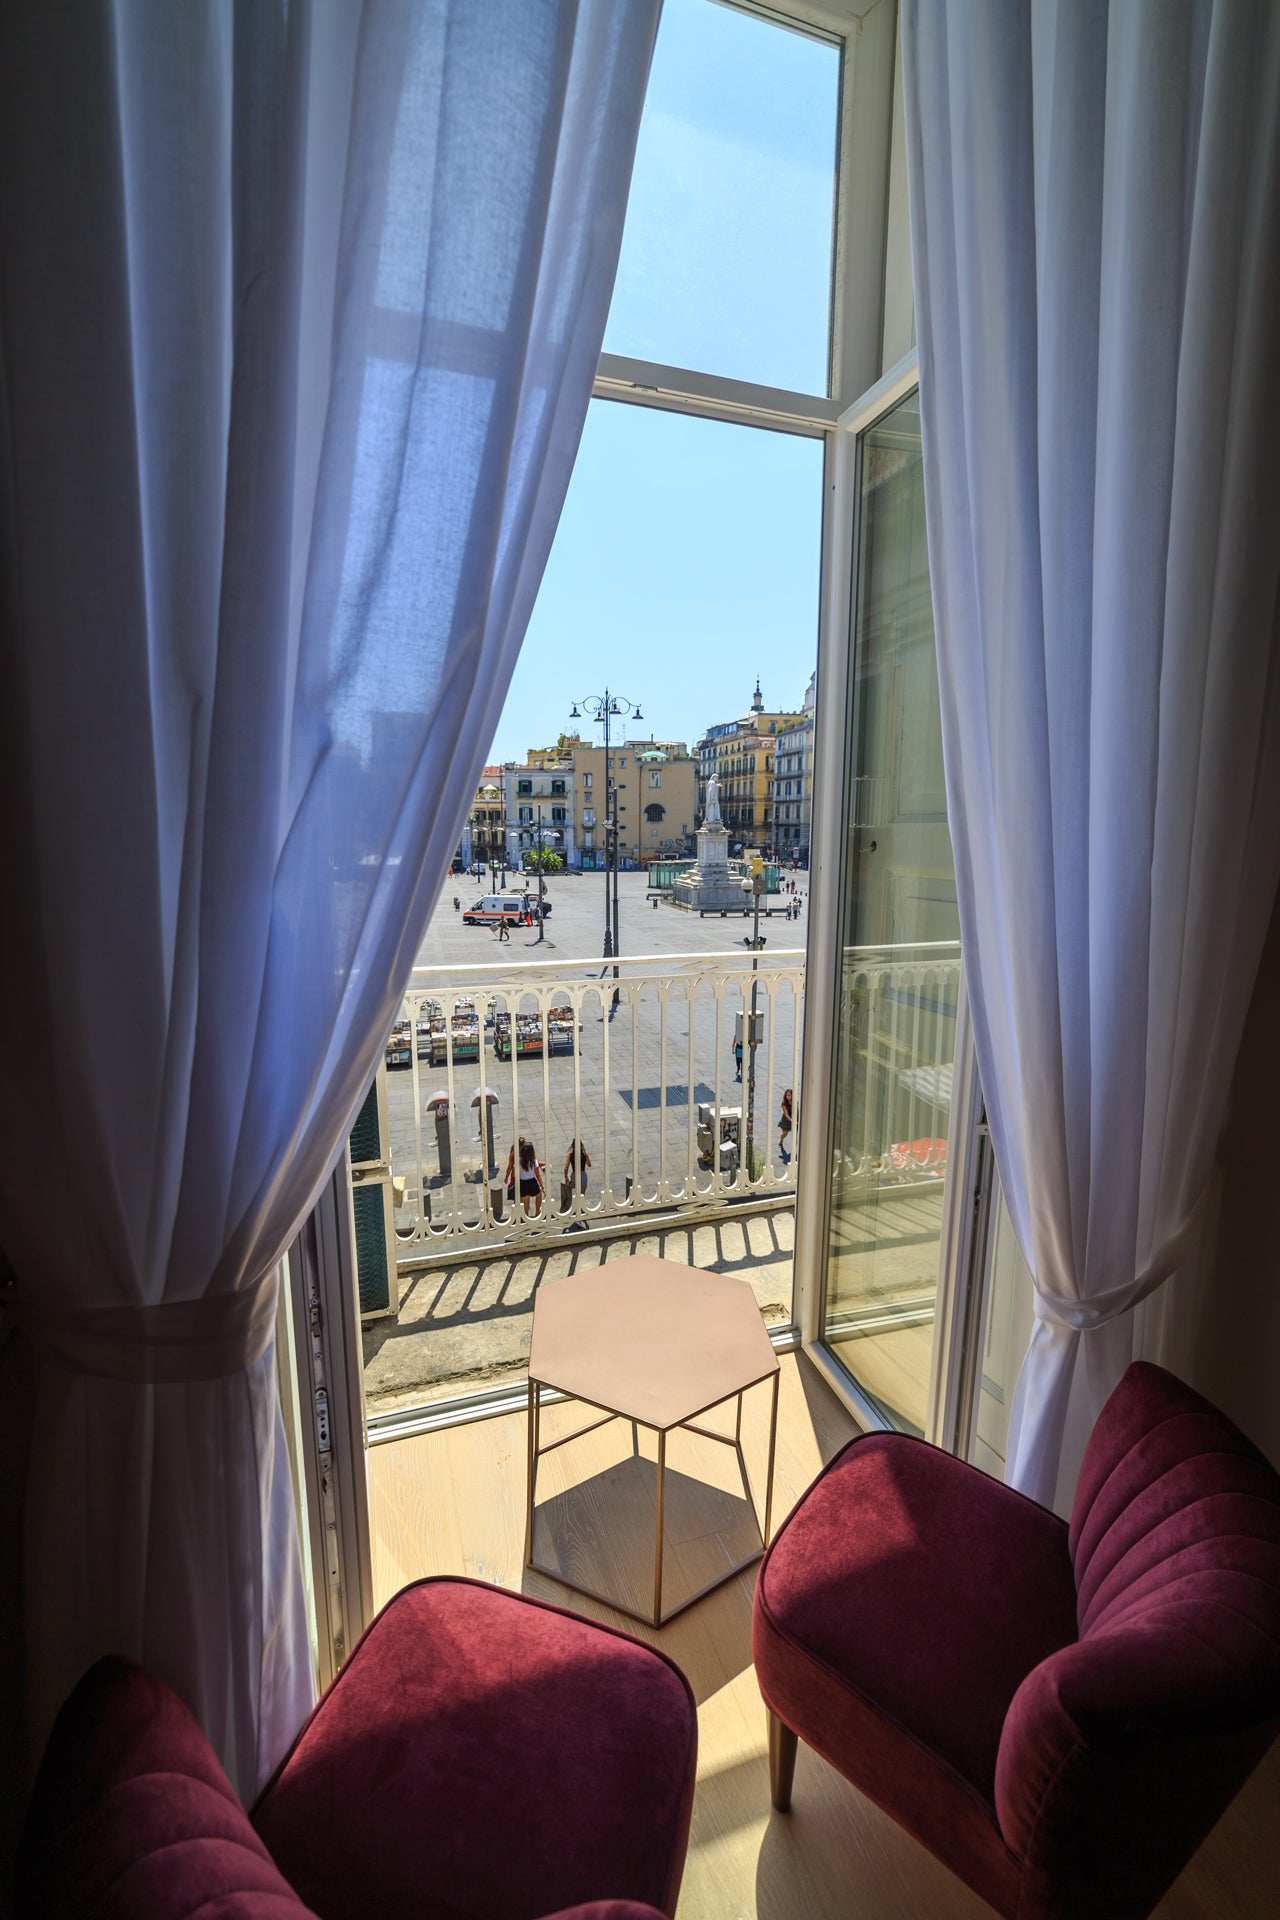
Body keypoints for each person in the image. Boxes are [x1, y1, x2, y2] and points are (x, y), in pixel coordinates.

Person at [561, 1138, 592, 1210]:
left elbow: (566, 1168)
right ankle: (581, 1208)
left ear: (573, 1146)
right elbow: (589, 1165)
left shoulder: (570, 1155)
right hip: (583, 1175)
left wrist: (566, 1177)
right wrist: (587, 1158)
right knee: (582, 1194)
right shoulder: (584, 1154)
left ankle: (574, 1207)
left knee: (576, 1192)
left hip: (574, 1175)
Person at [518, 1136, 545, 1216]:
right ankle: (538, 1210)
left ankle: (526, 1217)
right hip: (532, 1182)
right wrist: (542, 1186)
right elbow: (538, 1175)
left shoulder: (519, 1160)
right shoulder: (533, 1161)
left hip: (523, 1183)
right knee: (539, 1194)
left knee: (525, 1203)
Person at [778, 1088, 794, 1164]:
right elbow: (786, 1114)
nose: (788, 1096)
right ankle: (781, 1139)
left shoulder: (794, 1102)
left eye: (789, 1095)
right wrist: (792, 1120)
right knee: (785, 1133)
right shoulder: (784, 1104)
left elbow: (797, 1110)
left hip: (792, 1119)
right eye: (787, 1095)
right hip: (785, 1120)